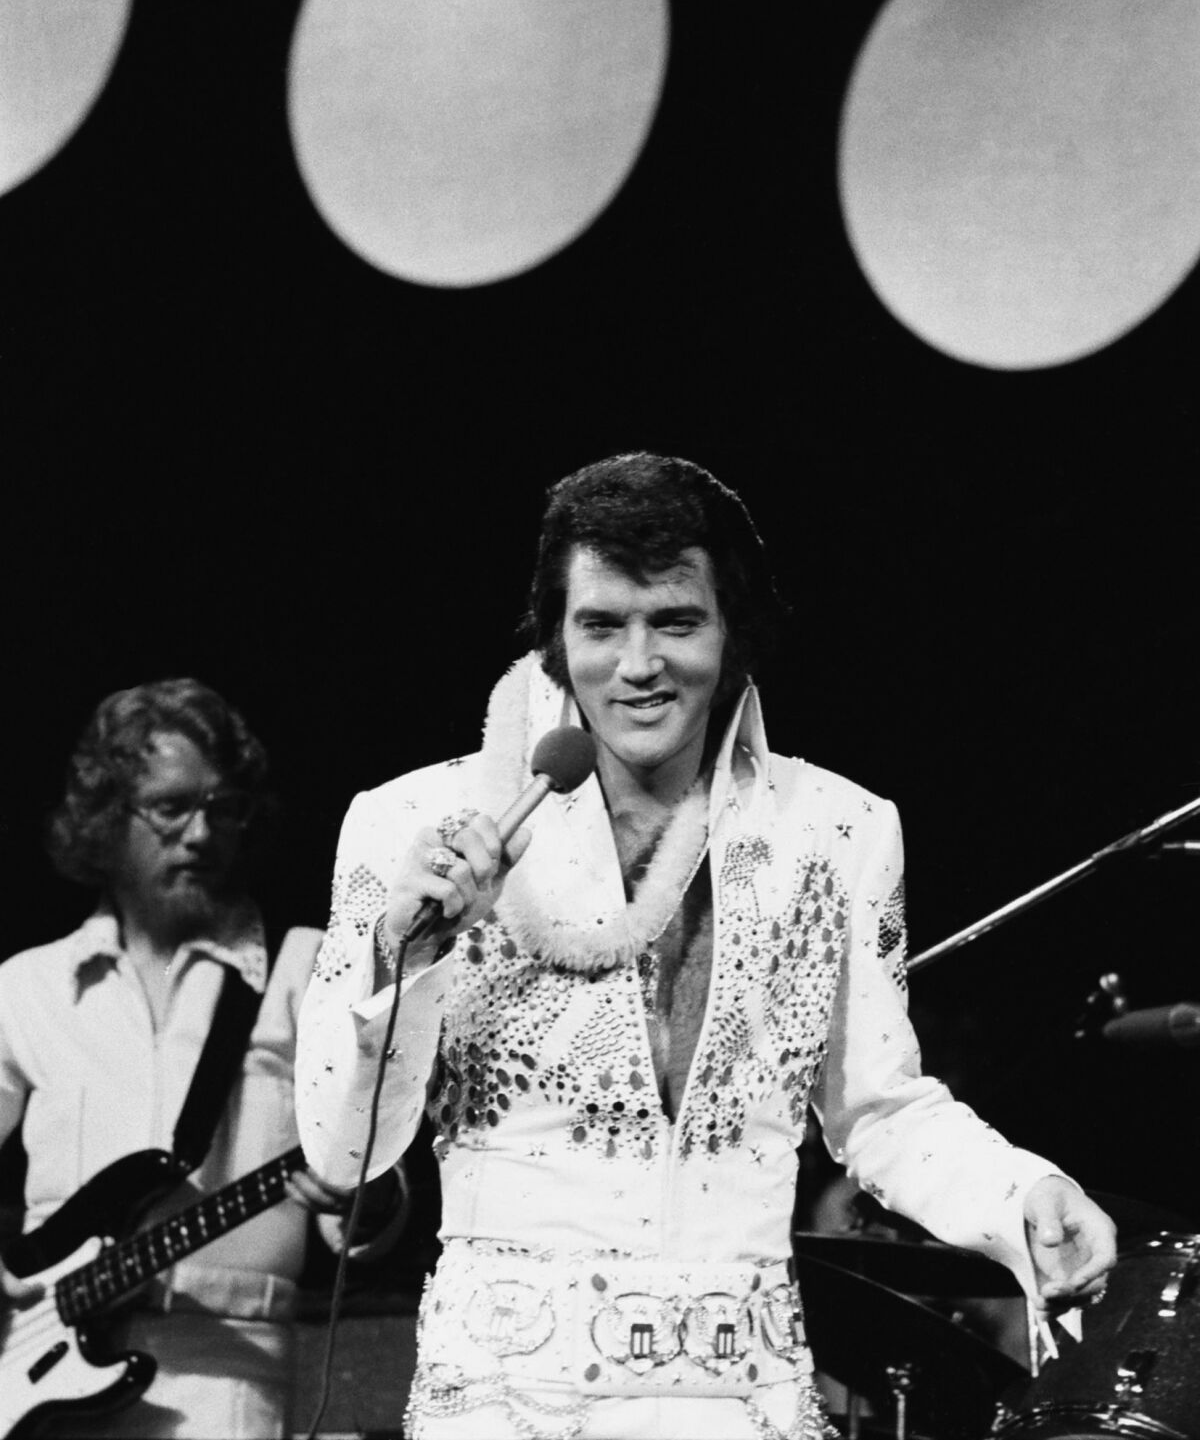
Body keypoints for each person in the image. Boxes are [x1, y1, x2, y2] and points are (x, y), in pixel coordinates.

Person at [295, 453, 1117, 1440]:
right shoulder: (416, 823)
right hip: (506, 1404)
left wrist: (1020, 1194)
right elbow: (344, 1153)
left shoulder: (840, 829)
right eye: (602, 625)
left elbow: (879, 1107)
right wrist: (403, 956)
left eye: (675, 621)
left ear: (734, 634)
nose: (637, 665)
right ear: (555, 639)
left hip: (748, 1403)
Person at [0, 677, 408, 1440]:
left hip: (232, 1375)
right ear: (104, 816)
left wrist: (367, 1193)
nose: (200, 833)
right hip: (37, 1375)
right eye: (170, 807)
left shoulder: (306, 970)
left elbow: (375, 1197)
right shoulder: (25, 988)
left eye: (223, 809)